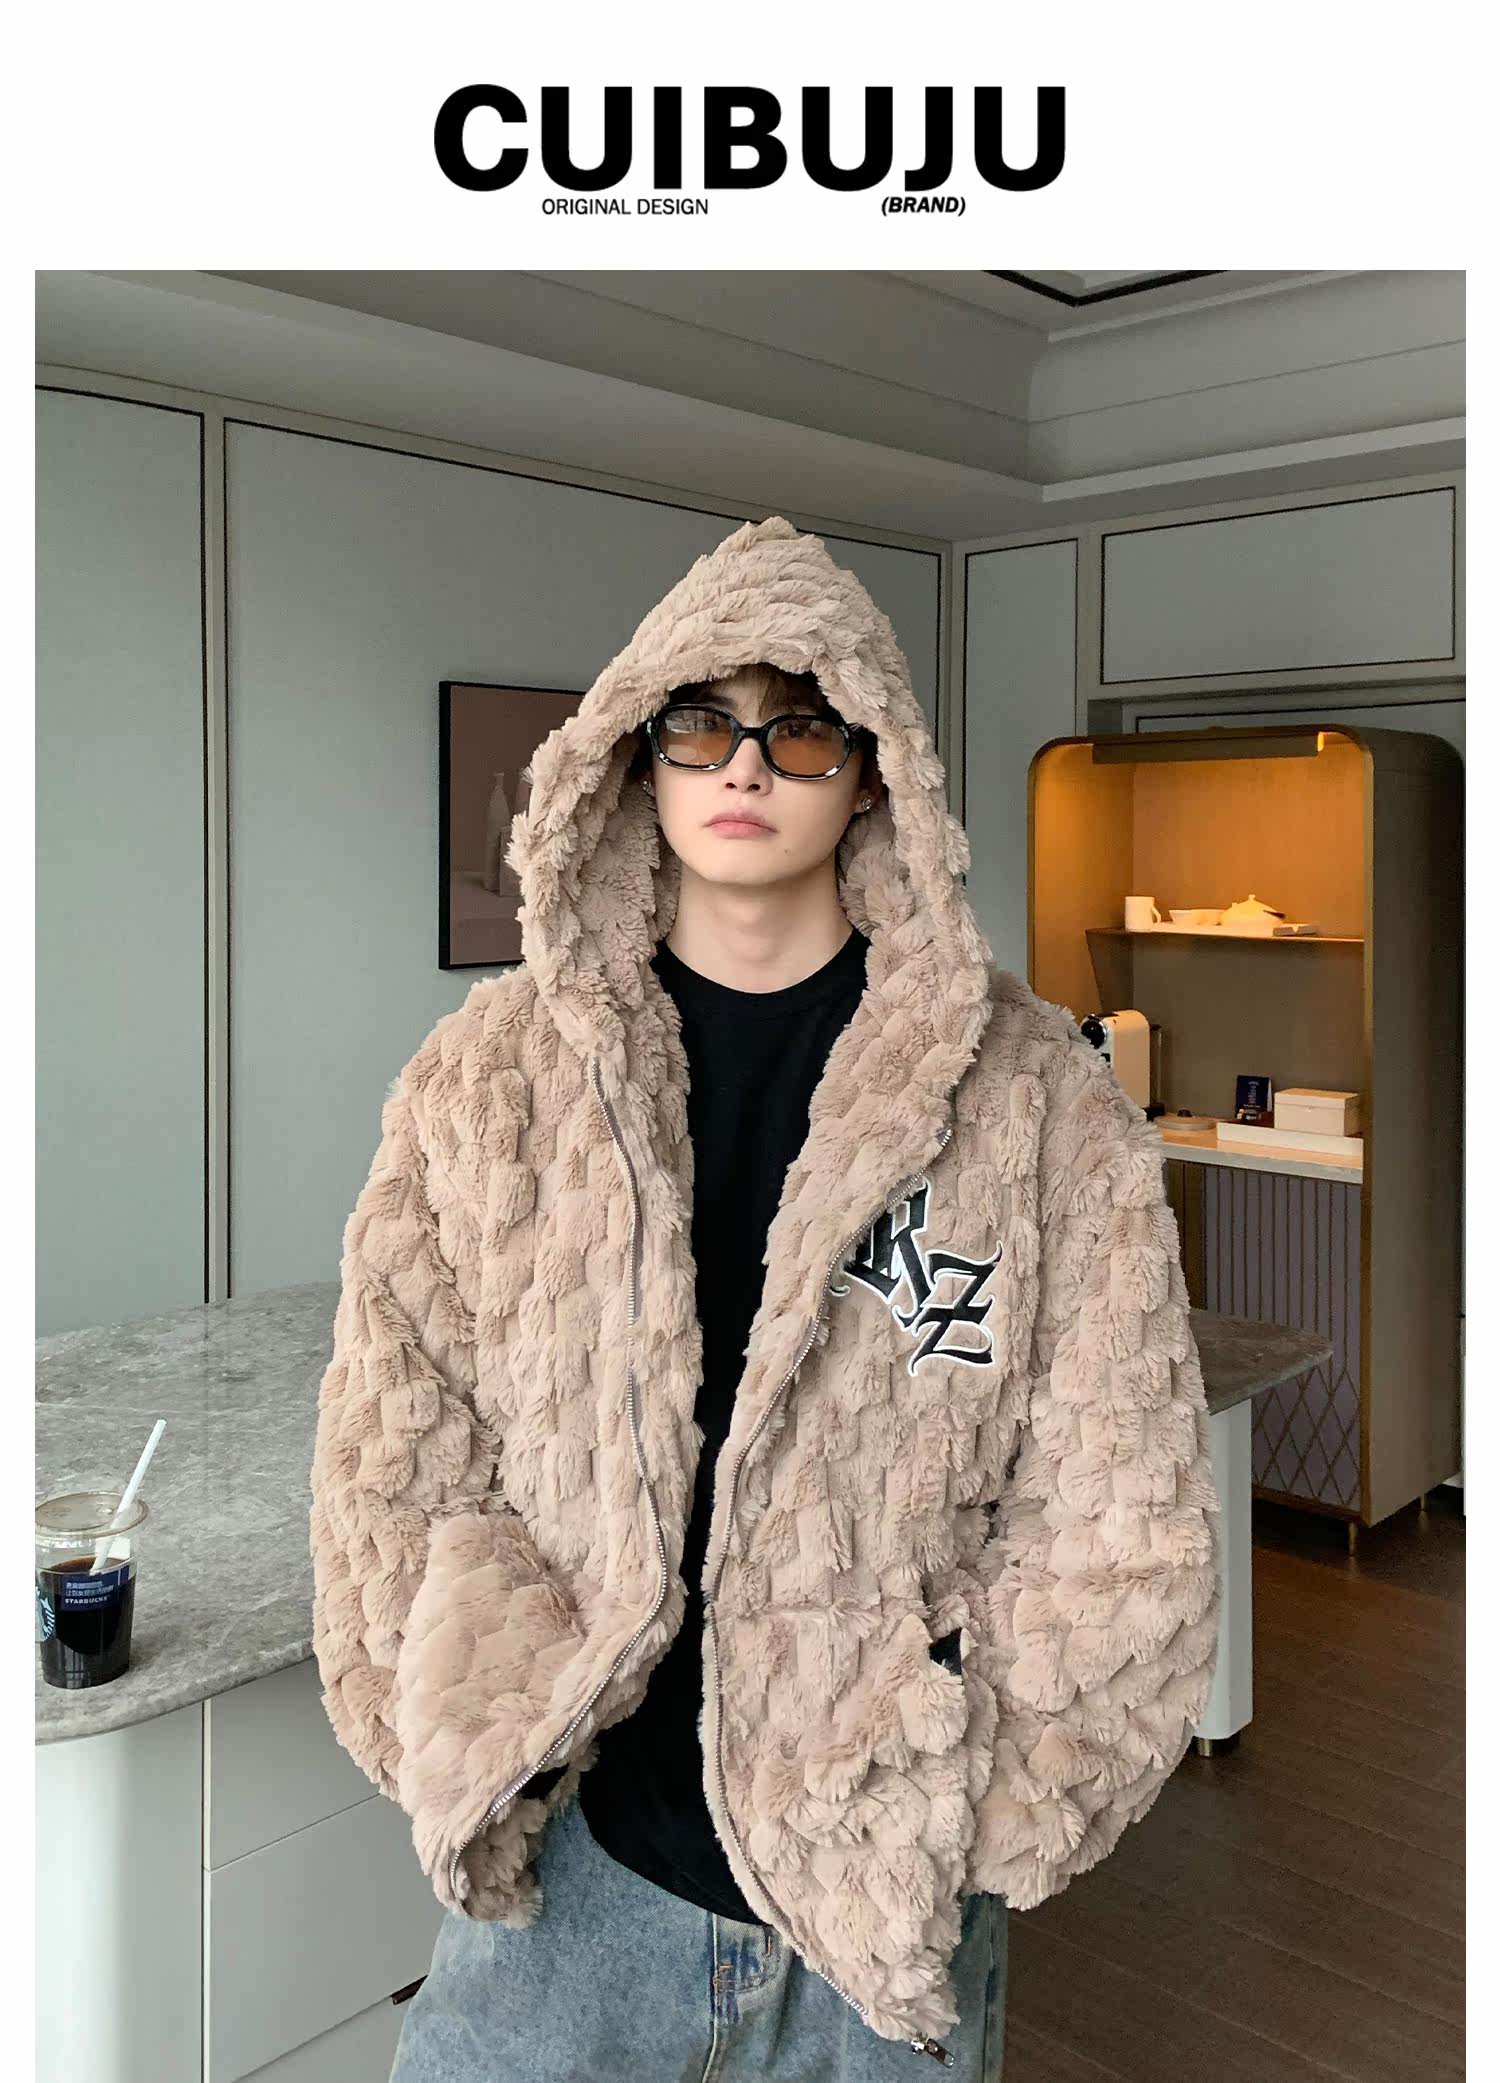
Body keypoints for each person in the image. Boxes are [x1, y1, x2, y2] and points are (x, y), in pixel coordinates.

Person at [308, 515, 1222, 2082]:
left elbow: (1119, 1497)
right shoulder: (491, 1082)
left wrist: (978, 1808)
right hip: (571, 1884)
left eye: (798, 727)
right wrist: (458, 1725)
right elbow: (395, 1448)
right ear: (637, 754)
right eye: (701, 723)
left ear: (870, 772)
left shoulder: (1030, 1101)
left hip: (878, 1900)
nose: (745, 765)